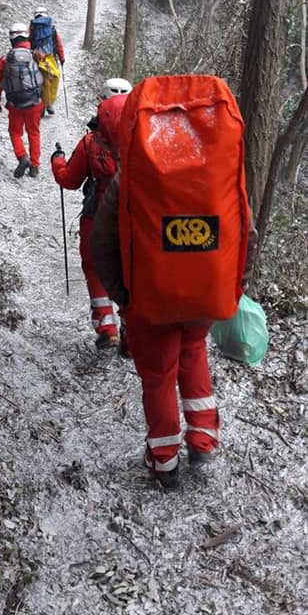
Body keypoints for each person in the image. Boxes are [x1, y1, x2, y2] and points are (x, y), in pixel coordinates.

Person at [90, 77, 258, 489]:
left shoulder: (134, 175)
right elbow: (246, 233)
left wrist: (123, 295)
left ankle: (164, 461)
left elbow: (103, 243)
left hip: (152, 298)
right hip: (206, 292)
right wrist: (233, 286)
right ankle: (204, 439)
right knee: (194, 351)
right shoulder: (216, 175)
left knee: (160, 375)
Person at [50, 77, 132, 350]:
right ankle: (131, 332)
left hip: (97, 218)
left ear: (101, 103)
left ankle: (107, 327)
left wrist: (57, 161)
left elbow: (69, 180)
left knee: (95, 268)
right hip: (136, 220)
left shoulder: (90, 143)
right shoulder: (145, 143)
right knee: (132, 273)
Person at [0, 23, 43, 178]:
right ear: (26, 36)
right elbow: (46, 76)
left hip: (15, 104)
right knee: (34, 132)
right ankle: (34, 166)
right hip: (34, 102)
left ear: (11, 38)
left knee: (15, 132)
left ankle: (22, 157)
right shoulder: (36, 55)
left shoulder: (5, 60)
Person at [29, 8, 65, 115]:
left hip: (36, 58)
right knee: (49, 82)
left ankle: (36, 105)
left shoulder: (32, 28)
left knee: (35, 81)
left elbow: (27, 42)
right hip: (50, 59)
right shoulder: (52, 29)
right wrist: (62, 59)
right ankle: (48, 104)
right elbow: (58, 45)